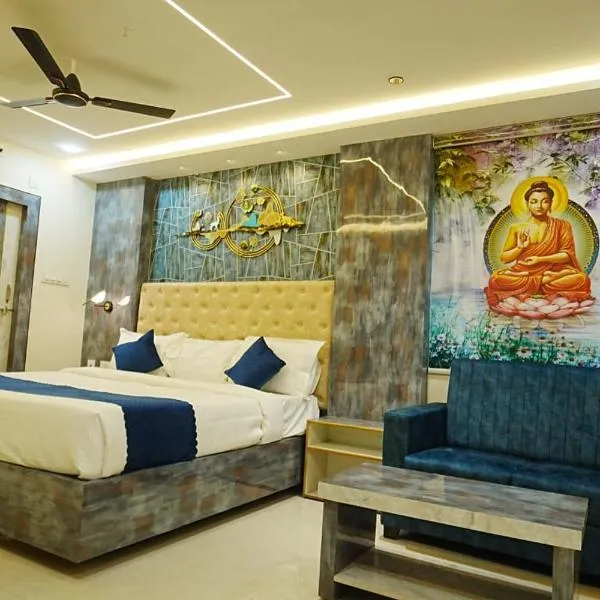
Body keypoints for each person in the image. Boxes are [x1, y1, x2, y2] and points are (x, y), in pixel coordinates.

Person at [485, 180, 591, 306]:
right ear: (527, 204)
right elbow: (504, 258)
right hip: (524, 273)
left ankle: (537, 283)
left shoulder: (562, 225)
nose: (539, 206)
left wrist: (540, 259)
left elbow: (567, 255)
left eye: (545, 201)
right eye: (534, 201)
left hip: (553, 271)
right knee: (496, 280)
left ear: (551, 203)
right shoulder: (516, 228)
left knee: (581, 279)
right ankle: (543, 281)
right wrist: (519, 248)